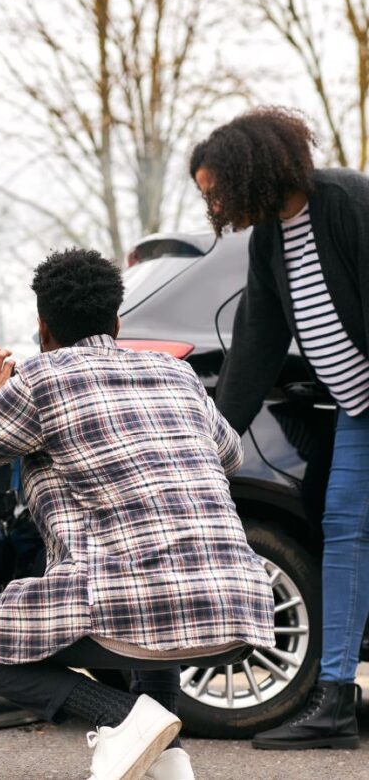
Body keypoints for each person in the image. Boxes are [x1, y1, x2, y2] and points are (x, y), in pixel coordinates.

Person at [0, 249, 276, 780]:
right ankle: (167, 762)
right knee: (147, 605)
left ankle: (124, 721)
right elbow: (231, 455)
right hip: (234, 604)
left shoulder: (41, 381)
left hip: (131, 603)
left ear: (42, 328)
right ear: (116, 321)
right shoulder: (175, 374)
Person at [191, 107, 368, 750]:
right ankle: (336, 704)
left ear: (251, 171)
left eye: (216, 190)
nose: (213, 203)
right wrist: (216, 441)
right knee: (345, 534)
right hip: (358, 411)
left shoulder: (349, 203)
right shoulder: (271, 238)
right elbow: (257, 342)